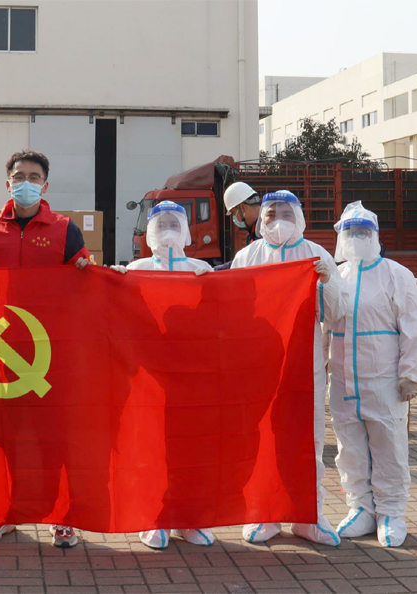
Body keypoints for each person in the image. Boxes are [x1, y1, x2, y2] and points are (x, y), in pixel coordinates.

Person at [0, 149, 90, 548]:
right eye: (19, 176)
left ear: (45, 186)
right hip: (1, 352)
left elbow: (86, 278)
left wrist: (90, 271)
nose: (26, 182)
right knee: (6, 438)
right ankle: (4, 513)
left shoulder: (66, 230)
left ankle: (62, 515)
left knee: (54, 438)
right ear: (8, 183)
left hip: (51, 352)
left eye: (34, 177)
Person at [231, 189, 348, 547]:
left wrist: (327, 283)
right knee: (262, 439)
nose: (278, 220)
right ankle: (265, 512)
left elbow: (337, 313)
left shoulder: (316, 255)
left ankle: (308, 515)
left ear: (299, 217)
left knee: (306, 439)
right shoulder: (248, 256)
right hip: (259, 363)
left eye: (286, 213)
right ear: (261, 219)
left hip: (303, 362)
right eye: (271, 214)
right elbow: (231, 308)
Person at [326, 201, 417, 548]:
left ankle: (391, 512)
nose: (356, 238)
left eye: (363, 232)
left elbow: (413, 326)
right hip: (343, 380)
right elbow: (324, 326)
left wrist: (410, 373)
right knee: (349, 448)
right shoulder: (336, 276)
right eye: (350, 232)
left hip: (382, 380)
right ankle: (360, 508)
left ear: (375, 235)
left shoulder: (396, 275)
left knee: (389, 447)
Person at [119, 200, 214, 549]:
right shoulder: (138, 269)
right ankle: (154, 516)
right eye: (161, 225)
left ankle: (190, 516)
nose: (168, 231)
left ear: (187, 229)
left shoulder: (201, 269)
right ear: (149, 232)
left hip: (191, 375)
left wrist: (214, 285)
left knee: (192, 447)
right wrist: (112, 281)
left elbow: (217, 316)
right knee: (151, 446)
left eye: (175, 223)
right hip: (150, 375)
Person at [213, 181, 261, 271]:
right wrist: (215, 270)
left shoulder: (266, 231)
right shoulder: (253, 233)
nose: (234, 218)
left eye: (234, 213)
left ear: (242, 208)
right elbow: (242, 261)